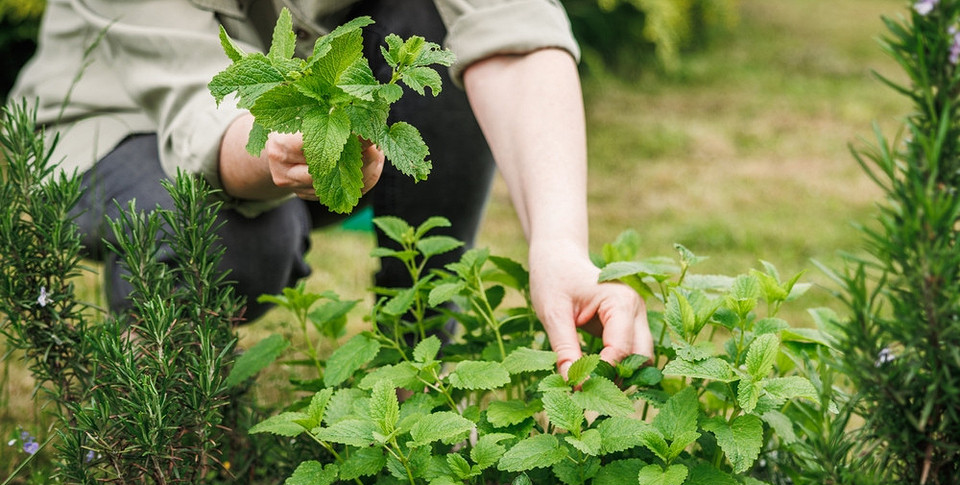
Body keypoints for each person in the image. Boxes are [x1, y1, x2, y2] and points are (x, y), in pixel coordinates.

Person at [8, 0, 652, 378]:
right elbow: (201, 104)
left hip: (317, 123)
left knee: (431, 31)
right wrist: (288, 152)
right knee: (232, 244)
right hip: (111, 123)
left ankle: (419, 359)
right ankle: (158, 412)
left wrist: (561, 247)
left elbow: (507, 26)